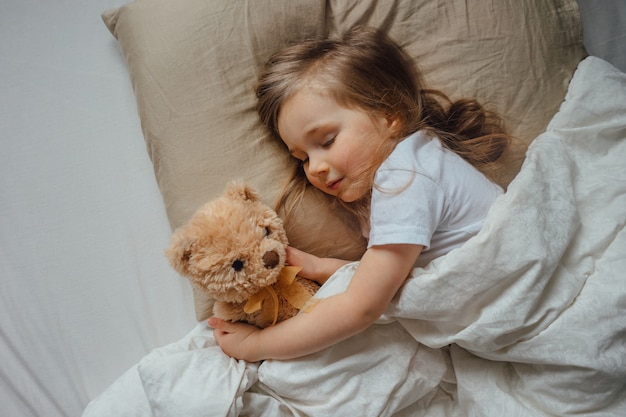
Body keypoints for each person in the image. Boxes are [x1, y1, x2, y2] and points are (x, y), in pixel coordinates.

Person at [209, 26, 511, 362]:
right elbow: (393, 278)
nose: (315, 169)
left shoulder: (404, 180)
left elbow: (360, 308)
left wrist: (256, 347)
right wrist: (322, 267)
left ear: (388, 115)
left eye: (326, 141)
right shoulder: (421, 155)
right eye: (303, 158)